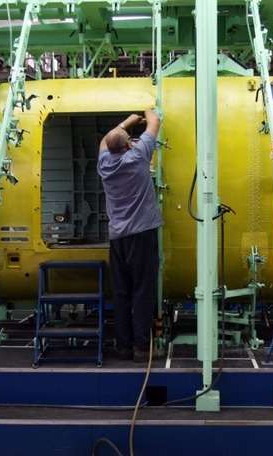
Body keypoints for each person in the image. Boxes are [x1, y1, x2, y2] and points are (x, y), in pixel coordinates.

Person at [97, 108, 162, 362]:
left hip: (118, 238)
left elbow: (105, 142)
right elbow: (155, 120)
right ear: (128, 146)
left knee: (122, 292)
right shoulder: (138, 156)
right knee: (143, 291)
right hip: (142, 235)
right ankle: (142, 348)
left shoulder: (104, 164)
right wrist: (144, 112)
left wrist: (125, 123)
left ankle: (123, 346)